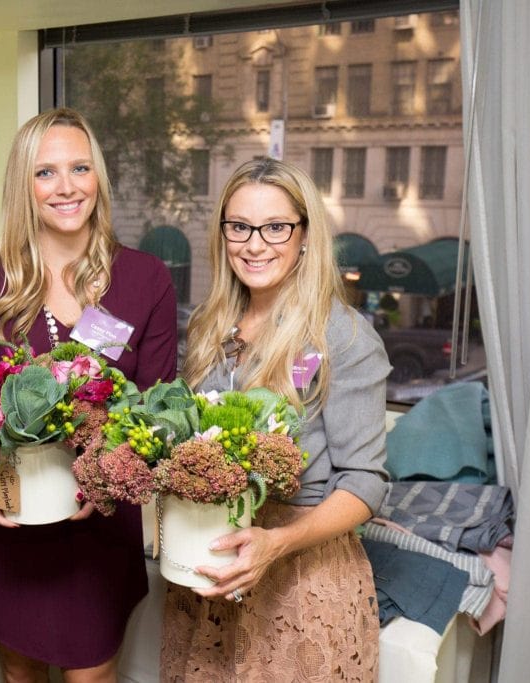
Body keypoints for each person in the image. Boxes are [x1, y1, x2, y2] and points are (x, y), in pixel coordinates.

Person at [0, 108, 177, 682]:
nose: (67, 187)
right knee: (19, 673)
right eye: (46, 172)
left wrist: (104, 481)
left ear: (98, 177)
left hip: (96, 522)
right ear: (23, 185)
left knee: (90, 673)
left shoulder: (147, 278)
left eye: (80, 167)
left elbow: (155, 405)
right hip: (8, 516)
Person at [161, 157, 390, 681]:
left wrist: (277, 543)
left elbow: (365, 483)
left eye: (276, 227)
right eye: (239, 226)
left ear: (305, 234)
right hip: (210, 570)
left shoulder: (344, 338)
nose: (255, 243)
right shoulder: (209, 325)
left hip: (300, 579)